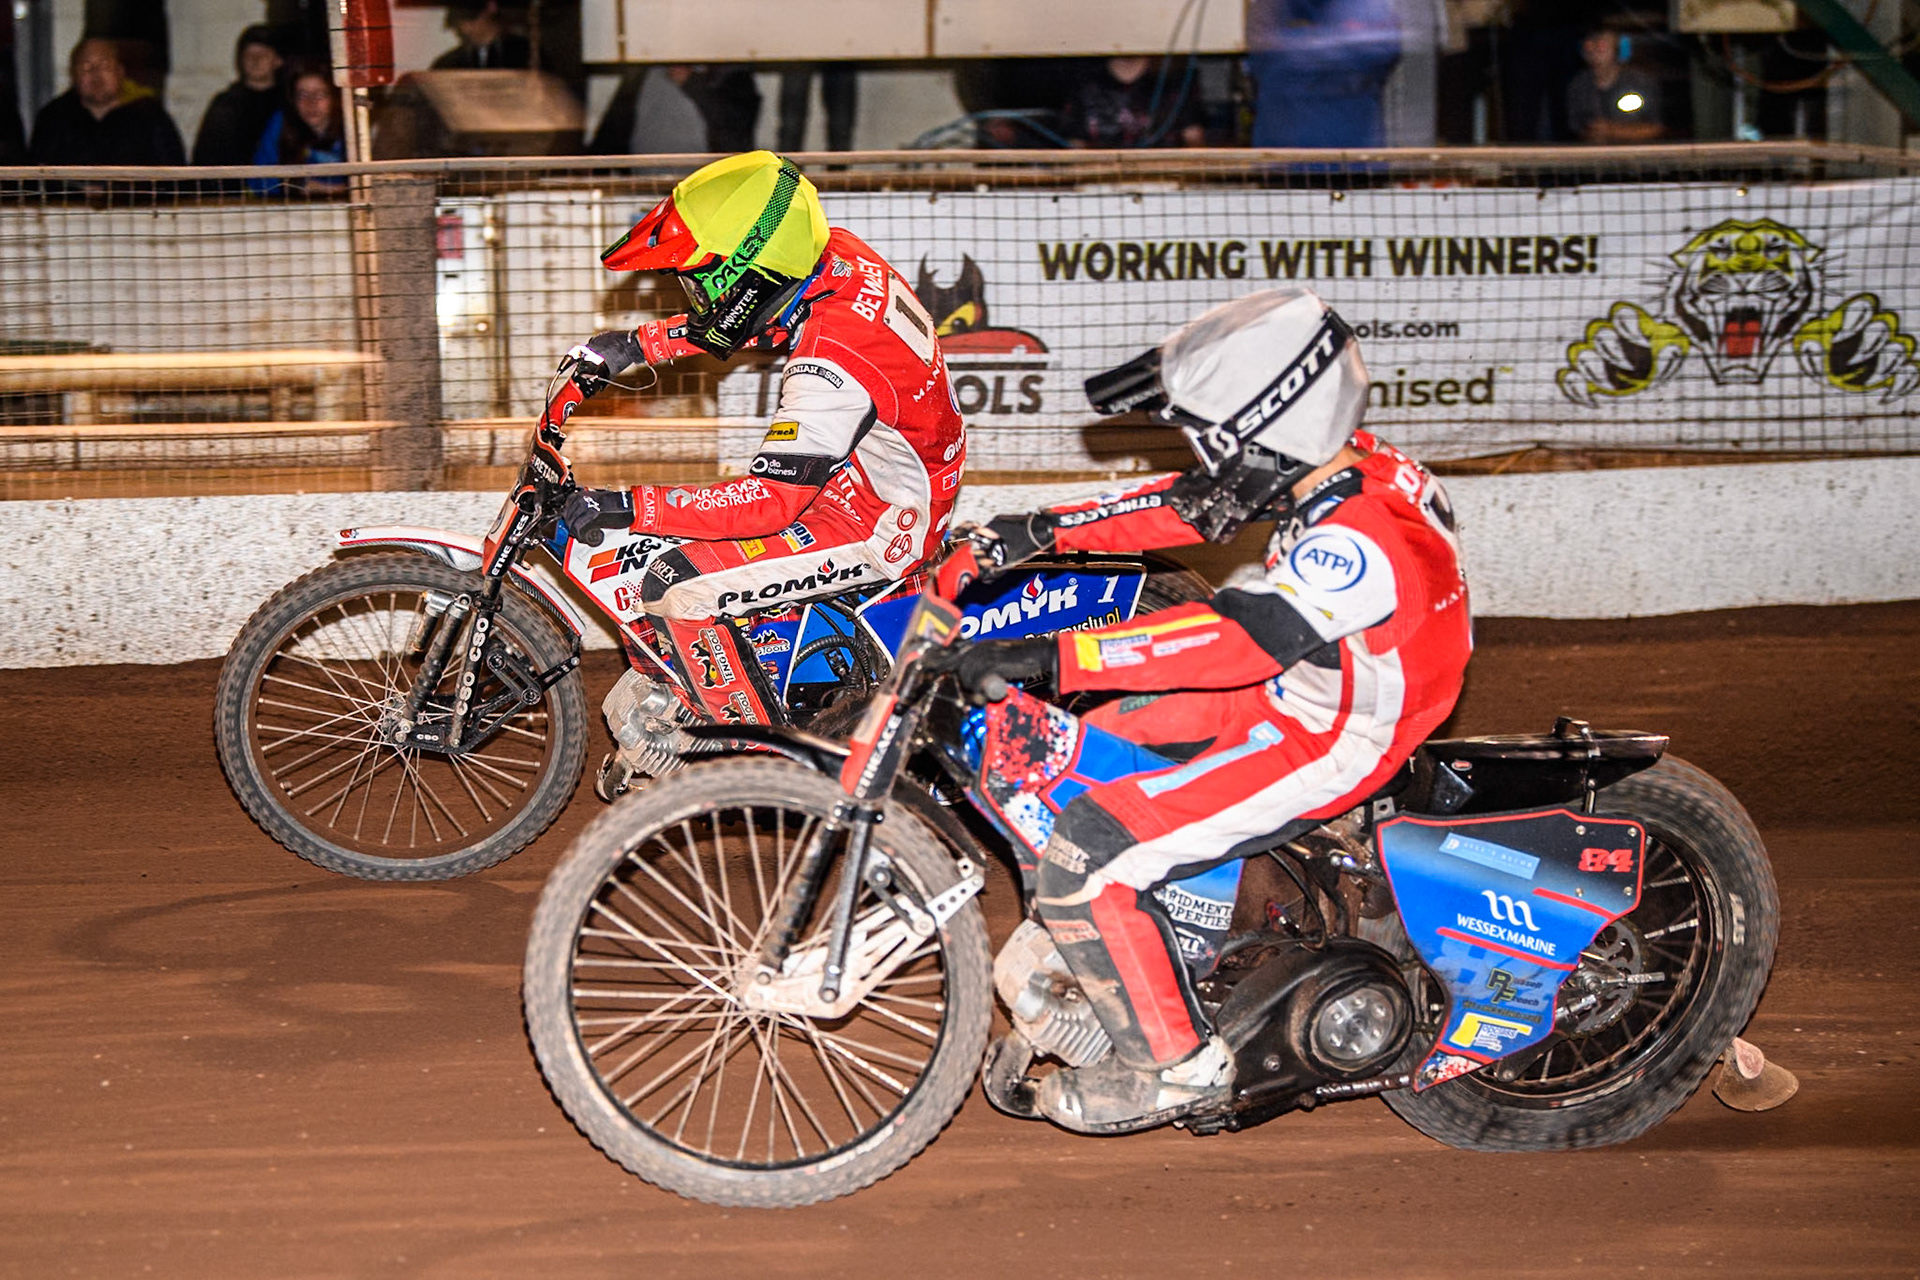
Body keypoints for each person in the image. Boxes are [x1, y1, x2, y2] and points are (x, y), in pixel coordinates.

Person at [939, 288, 1471, 1131]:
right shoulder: (1343, 465)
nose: (1202, 452)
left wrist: (1055, 654)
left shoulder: (1357, 541)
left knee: (1090, 852)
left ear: (1269, 423)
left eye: (1211, 435)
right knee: (1078, 751)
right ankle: (1162, 936)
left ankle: (1178, 1065)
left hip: (1335, 735)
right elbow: (1186, 506)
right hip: (1297, 688)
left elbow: (1240, 641)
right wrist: (1041, 529)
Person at [559, 151, 967, 727]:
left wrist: (631, 504)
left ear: (750, 274)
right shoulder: (837, 256)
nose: (694, 296)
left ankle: (755, 756)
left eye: (699, 282)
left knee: (676, 586)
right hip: (867, 474)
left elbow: (768, 502)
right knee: (683, 539)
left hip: (878, 521)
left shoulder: (827, 367)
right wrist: (641, 344)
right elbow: (762, 317)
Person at [28, 37, 185, 166]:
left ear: (120, 72)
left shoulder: (150, 118)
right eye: (86, 67)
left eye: (105, 66)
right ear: (73, 75)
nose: (96, 74)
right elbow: (38, 177)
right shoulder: (54, 118)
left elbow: (173, 178)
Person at [1061, 56, 1204, 148]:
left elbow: (1193, 139)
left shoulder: (1174, 82)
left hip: (1164, 178)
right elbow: (1075, 143)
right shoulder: (1085, 83)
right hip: (1100, 179)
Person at [192, 25, 285, 166]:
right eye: (249, 55)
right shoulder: (226, 104)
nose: (255, 60)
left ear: (278, 60)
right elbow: (207, 155)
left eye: (263, 54)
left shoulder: (288, 102)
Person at [250, 60, 345, 192]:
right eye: (302, 95)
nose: (310, 103)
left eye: (320, 94)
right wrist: (297, 186)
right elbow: (258, 181)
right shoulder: (281, 123)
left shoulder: (352, 126)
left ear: (335, 98)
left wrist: (337, 189)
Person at [1567, 26, 1664, 144]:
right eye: (1590, 48)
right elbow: (1577, 129)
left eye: (1602, 48)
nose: (1594, 55)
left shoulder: (1640, 82)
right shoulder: (1579, 85)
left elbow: (1655, 128)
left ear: (1620, 51)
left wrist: (1613, 131)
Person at [432, 1, 532, 70]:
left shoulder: (528, 55)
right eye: (459, 21)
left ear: (491, 7)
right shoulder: (447, 64)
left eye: (471, 18)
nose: (465, 28)